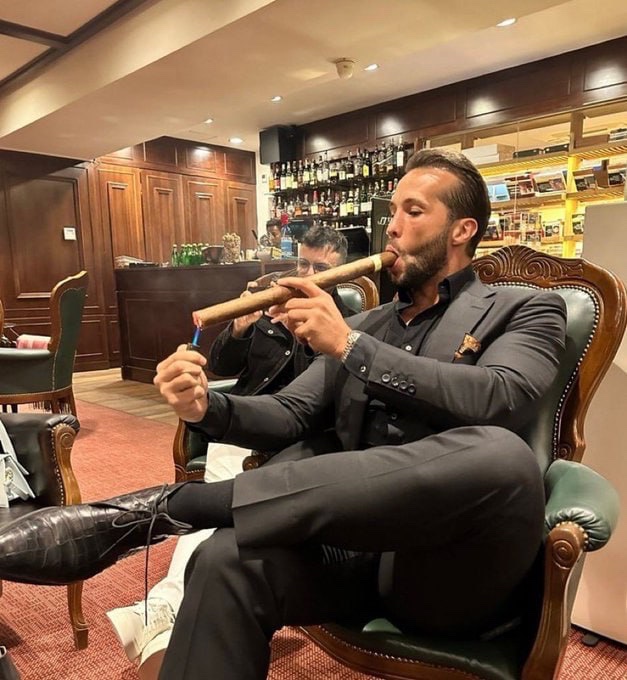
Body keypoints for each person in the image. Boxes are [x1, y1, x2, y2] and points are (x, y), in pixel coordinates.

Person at [0, 149, 567, 680]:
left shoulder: (527, 309)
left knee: (502, 455)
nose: (392, 226)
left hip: (453, 566)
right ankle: (177, 515)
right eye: (392, 210)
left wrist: (350, 347)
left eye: (413, 211)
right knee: (224, 559)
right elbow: (291, 412)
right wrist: (206, 405)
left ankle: (173, 508)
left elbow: (501, 396)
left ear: (462, 230)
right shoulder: (369, 323)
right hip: (357, 549)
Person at [105, 225, 352, 673]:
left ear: (341, 272)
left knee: (221, 498)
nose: (307, 275)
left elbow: (318, 401)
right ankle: (169, 608)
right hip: (240, 426)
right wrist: (240, 328)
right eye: (303, 263)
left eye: (320, 268)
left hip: (295, 441)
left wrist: (306, 334)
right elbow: (221, 365)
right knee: (222, 473)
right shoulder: (267, 307)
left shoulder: (343, 324)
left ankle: (164, 606)